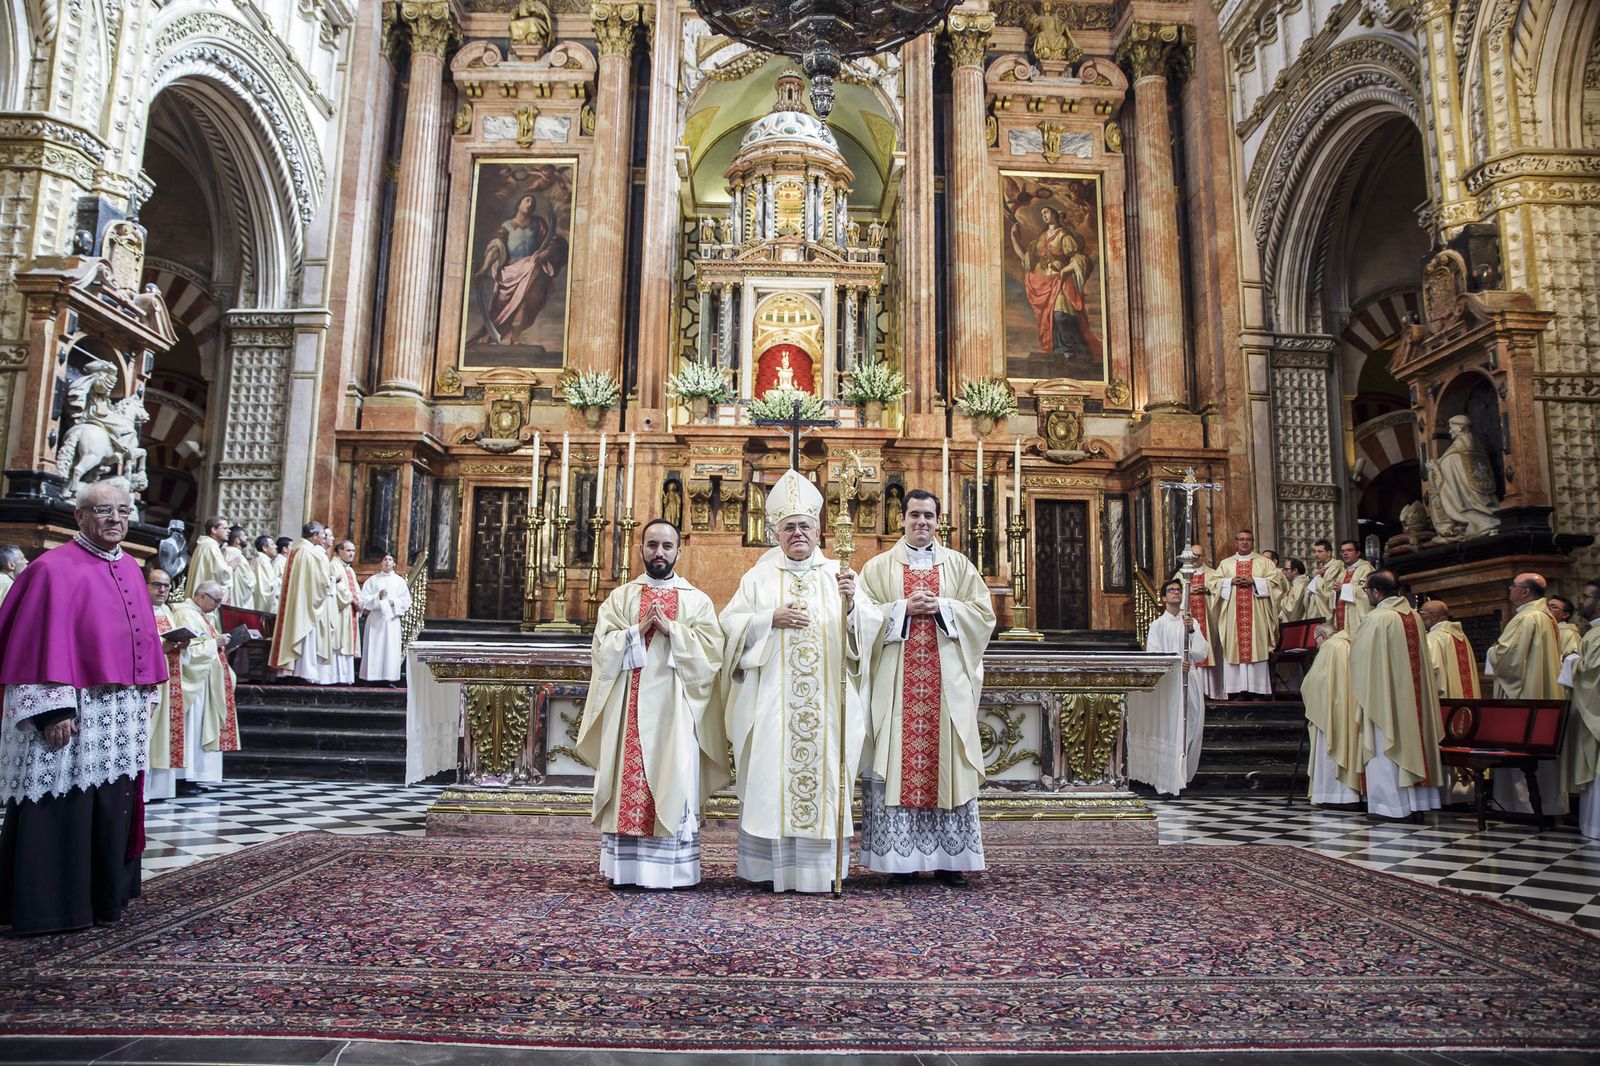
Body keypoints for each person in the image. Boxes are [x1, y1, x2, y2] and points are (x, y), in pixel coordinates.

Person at [0, 482, 165, 933]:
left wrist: (144, 691)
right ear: (80, 517)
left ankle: (101, 898)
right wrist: (52, 710)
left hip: (117, 713)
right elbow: (34, 644)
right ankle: (53, 907)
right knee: (61, 804)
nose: (115, 519)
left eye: (123, 511)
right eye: (104, 511)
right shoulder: (52, 569)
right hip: (71, 712)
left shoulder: (131, 566)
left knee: (110, 803)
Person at [718, 469, 881, 893]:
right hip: (773, 702)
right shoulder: (757, 577)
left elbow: (867, 630)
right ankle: (770, 868)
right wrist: (767, 619)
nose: (797, 534)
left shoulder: (840, 574)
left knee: (824, 775)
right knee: (773, 777)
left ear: (819, 530)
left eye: (804, 526)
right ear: (775, 532)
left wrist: (852, 605)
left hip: (826, 704)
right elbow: (728, 626)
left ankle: (818, 871)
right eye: (788, 527)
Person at [575, 520, 728, 889]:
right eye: (652, 545)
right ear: (641, 548)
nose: (659, 553)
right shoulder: (622, 598)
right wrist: (636, 631)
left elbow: (712, 653)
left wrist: (672, 630)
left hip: (676, 713)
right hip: (628, 709)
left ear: (679, 550)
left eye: (667, 546)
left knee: (673, 776)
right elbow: (601, 648)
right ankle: (625, 871)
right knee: (632, 779)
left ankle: (672, 872)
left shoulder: (696, 600)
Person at [857, 489, 994, 885]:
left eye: (929, 516)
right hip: (896, 689)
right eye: (914, 515)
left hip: (946, 689)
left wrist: (944, 609)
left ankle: (950, 862)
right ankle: (901, 861)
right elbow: (859, 620)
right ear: (900, 519)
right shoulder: (879, 568)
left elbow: (983, 616)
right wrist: (900, 609)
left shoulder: (959, 566)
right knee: (896, 764)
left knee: (948, 764)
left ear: (938, 521)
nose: (922, 522)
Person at [1351, 570, 1443, 819]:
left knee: (1384, 745)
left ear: (1376, 592)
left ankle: (1390, 806)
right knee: (1413, 742)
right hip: (1413, 702)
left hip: (1385, 700)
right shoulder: (1412, 616)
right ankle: (1415, 805)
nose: (1366, 594)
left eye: (1367, 590)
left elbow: (1360, 662)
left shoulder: (1377, 619)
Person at [146, 579, 238, 800]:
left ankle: (182, 780)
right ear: (201, 596)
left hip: (186, 680)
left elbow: (190, 645)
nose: (163, 590)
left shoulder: (172, 611)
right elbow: (195, 650)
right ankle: (180, 779)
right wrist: (212, 644)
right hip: (183, 682)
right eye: (216, 600)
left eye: (167, 586)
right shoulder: (185, 613)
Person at [1486, 572, 1565, 816]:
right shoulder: (1546, 617)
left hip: (1525, 695)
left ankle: (1523, 805)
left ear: (1525, 592)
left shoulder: (1526, 618)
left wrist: (1491, 652)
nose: (1510, 590)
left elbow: (1507, 657)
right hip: (1543, 692)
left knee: (1521, 746)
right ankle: (1547, 804)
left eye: (1513, 586)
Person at [1128, 579, 1212, 795]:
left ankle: (1182, 774)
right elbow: (1154, 655)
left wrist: (1192, 631)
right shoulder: (1158, 625)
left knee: (1192, 725)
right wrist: (1176, 664)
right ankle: (1166, 779)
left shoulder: (1191, 623)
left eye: (1178, 590)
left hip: (1190, 679)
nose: (1175, 593)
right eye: (1171, 591)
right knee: (1171, 727)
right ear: (1164, 598)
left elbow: (1201, 653)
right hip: (1169, 683)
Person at [1206, 529, 1286, 699]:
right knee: (1234, 648)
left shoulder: (1264, 563)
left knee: (1256, 648)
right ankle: (1236, 691)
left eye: (1248, 539)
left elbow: (1276, 585)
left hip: (1256, 618)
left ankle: (1258, 690)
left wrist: (1254, 581)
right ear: (1236, 542)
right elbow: (1213, 584)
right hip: (1233, 618)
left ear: (1253, 542)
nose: (1244, 542)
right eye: (1241, 539)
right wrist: (1230, 581)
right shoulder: (1226, 564)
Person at [1301, 623, 1362, 805]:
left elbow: (1312, 682)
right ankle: (1352, 794)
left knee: (1331, 749)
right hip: (1351, 710)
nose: (1317, 646)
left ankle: (1332, 796)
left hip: (1330, 713)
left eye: (1316, 642)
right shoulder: (1352, 643)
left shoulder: (1329, 647)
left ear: (1323, 637)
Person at [1558, 579, 1600, 838]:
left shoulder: (1596, 635)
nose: (1581, 601)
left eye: (1585, 597)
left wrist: (1571, 661)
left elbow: (1591, 673)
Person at [269, 522, 335, 684]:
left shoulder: (296, 550)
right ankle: (304, 671)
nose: (323, 537)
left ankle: (289, 670)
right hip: (307, 603)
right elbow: (321, 583)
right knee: (306, 635)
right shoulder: (312, 553)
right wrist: (333, 580)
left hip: (295, 601)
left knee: (293, 629)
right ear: (314, 535)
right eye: (322, 535)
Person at [1171, 544, 1221, 699]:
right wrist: (1189, 591)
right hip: (1188, 619)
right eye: (1193, 556)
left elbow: (1220, 592)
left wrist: (1207, 590)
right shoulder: (1179, 575)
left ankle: (1212, 691)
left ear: (1203, 556)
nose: (1196, 559)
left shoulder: (1213, 574)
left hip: (1208, 618)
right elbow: (1174, 592)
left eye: (1199, 556)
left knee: (1208, 649)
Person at [359, 554, 412, 685]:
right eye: (385, 560)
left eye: (390, 560)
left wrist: (393, 602)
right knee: (374, 647)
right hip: (376, 618)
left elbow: (406, 600)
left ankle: (389, 678)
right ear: (381, 563)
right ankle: (371, 677)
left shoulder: (399, 581)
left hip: (391, 620)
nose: (387, 562)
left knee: (390, 649)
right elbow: (364, 599)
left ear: (394, 563)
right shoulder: (373, 580)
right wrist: (378, 596)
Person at [1418, 599, 1482, 699]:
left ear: (1434, 616)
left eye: (1421, 613)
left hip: (1445, 704)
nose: (1419, 617)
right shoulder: (1462, 637)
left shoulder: (1433, 639)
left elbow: (1430, 672)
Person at [328, 539, 361, 684]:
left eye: (353, 550)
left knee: (347, 642)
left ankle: (345, 677)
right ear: (338, 552)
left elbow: (356, 590)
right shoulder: (334, 565)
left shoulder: (349, 569)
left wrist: (360, 600)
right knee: (339, 642)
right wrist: (352, 599)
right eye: (348, 550)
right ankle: (336, 676)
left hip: (350, 610)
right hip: (340, 610)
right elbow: (339, 588)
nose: (351, 553)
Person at [1329, 540, 1374, 635]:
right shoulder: (1343, 573)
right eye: (1343, 551)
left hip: (1356, 617)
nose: (1345, 553)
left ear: (1358, 553)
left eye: (1349, 550)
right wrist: (1335, 592)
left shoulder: (1366, 568)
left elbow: (1368, 592)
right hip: (1343, 615)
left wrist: (1344, 588)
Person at [187, 516, 229, 611]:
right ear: (214, 530)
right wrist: (231, 567)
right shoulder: (210, 546)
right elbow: (221, 573)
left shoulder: (206, 545)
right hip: (206, 601)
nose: (228, 531)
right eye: (225, 528)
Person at [225, 525, 255, 615]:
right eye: (244, 535)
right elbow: (248, 582)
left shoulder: (226, 552)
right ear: (237, 540)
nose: (247, 537)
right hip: (237, 601)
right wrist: (252, 571)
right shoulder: (237, 555)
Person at [1307, 538, 1338, 619]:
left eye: (1320, 551)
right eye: (1315, 551)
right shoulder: (1323, 568)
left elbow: (1327, 591)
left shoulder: (1335, 567)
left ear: (1329, 553)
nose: (1316, 554)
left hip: (1328, 609)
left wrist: (1317, 577)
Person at [252, 535, 280, 614]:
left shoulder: (262, 559)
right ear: (265, 548)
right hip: (263, 604)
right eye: (272, 544)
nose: (276, 546)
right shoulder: (263, 561)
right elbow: (268, 585)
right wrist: (279, 581)